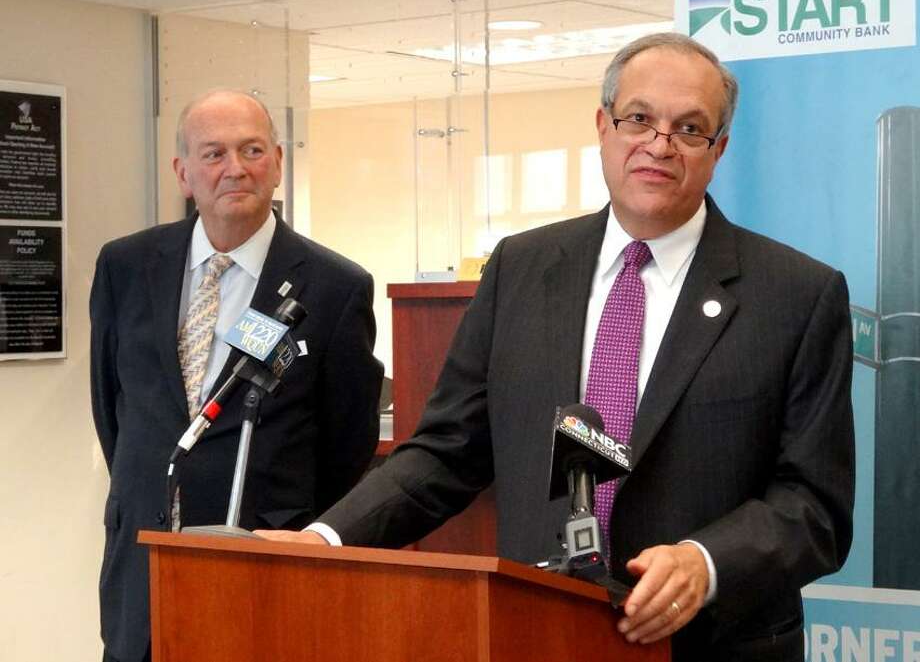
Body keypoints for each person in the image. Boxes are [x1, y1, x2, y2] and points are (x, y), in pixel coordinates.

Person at [256, 34, 855, 660]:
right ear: (603, 125)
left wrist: (706, 563)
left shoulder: (795, 294)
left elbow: (815, 504)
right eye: (639, 118)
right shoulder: (520, 267)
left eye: (689, 128)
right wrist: (325, 539)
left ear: (719, 148)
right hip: (537, 632)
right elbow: (446, 450)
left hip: (713, 645)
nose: (659, 144)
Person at [90, 89, 383, 662]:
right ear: (183, 173)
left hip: (262, 571)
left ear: (277, 162)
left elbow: (348, 445)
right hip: (141, 571)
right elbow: (113, 409)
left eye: (252, 150)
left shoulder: (336, 287)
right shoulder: (124, 266)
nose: (235, 169)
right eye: (214, 153)